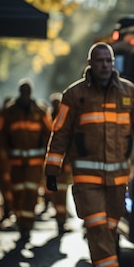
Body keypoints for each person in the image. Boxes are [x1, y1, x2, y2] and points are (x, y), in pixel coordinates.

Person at [44, 42, 134, 267]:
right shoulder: (74, 95)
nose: (105, 65)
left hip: (118, 180)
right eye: (100, 61)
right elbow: (60, 133)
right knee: (97, 227)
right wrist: (52, 170)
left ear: (113, 63)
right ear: (90, 64)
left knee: (109, 228)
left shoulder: (128, 92)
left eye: (109, 60)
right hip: (87, 180)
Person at [0, 79, 52, 241]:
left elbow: (48, 134)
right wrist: (5, 156)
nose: (25, 94)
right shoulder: (10, 112)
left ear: (31, 92)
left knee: (31, 193)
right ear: (19, 92)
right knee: (18, 193)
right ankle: (20, 219)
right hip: (15, 163)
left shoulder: (40, 111)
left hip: (34, 164)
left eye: (28, 91)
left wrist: (46, 155)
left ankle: (26, 226)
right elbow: (2, 135)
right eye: (23, 91)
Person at [47, 91, 73, 234]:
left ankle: (61, 219)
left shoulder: (66, 118)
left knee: (62, 191)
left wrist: (68, 162)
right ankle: (59, 215)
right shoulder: (46, 118)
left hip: (64, 165)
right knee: (53, 192)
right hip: (52, 164)